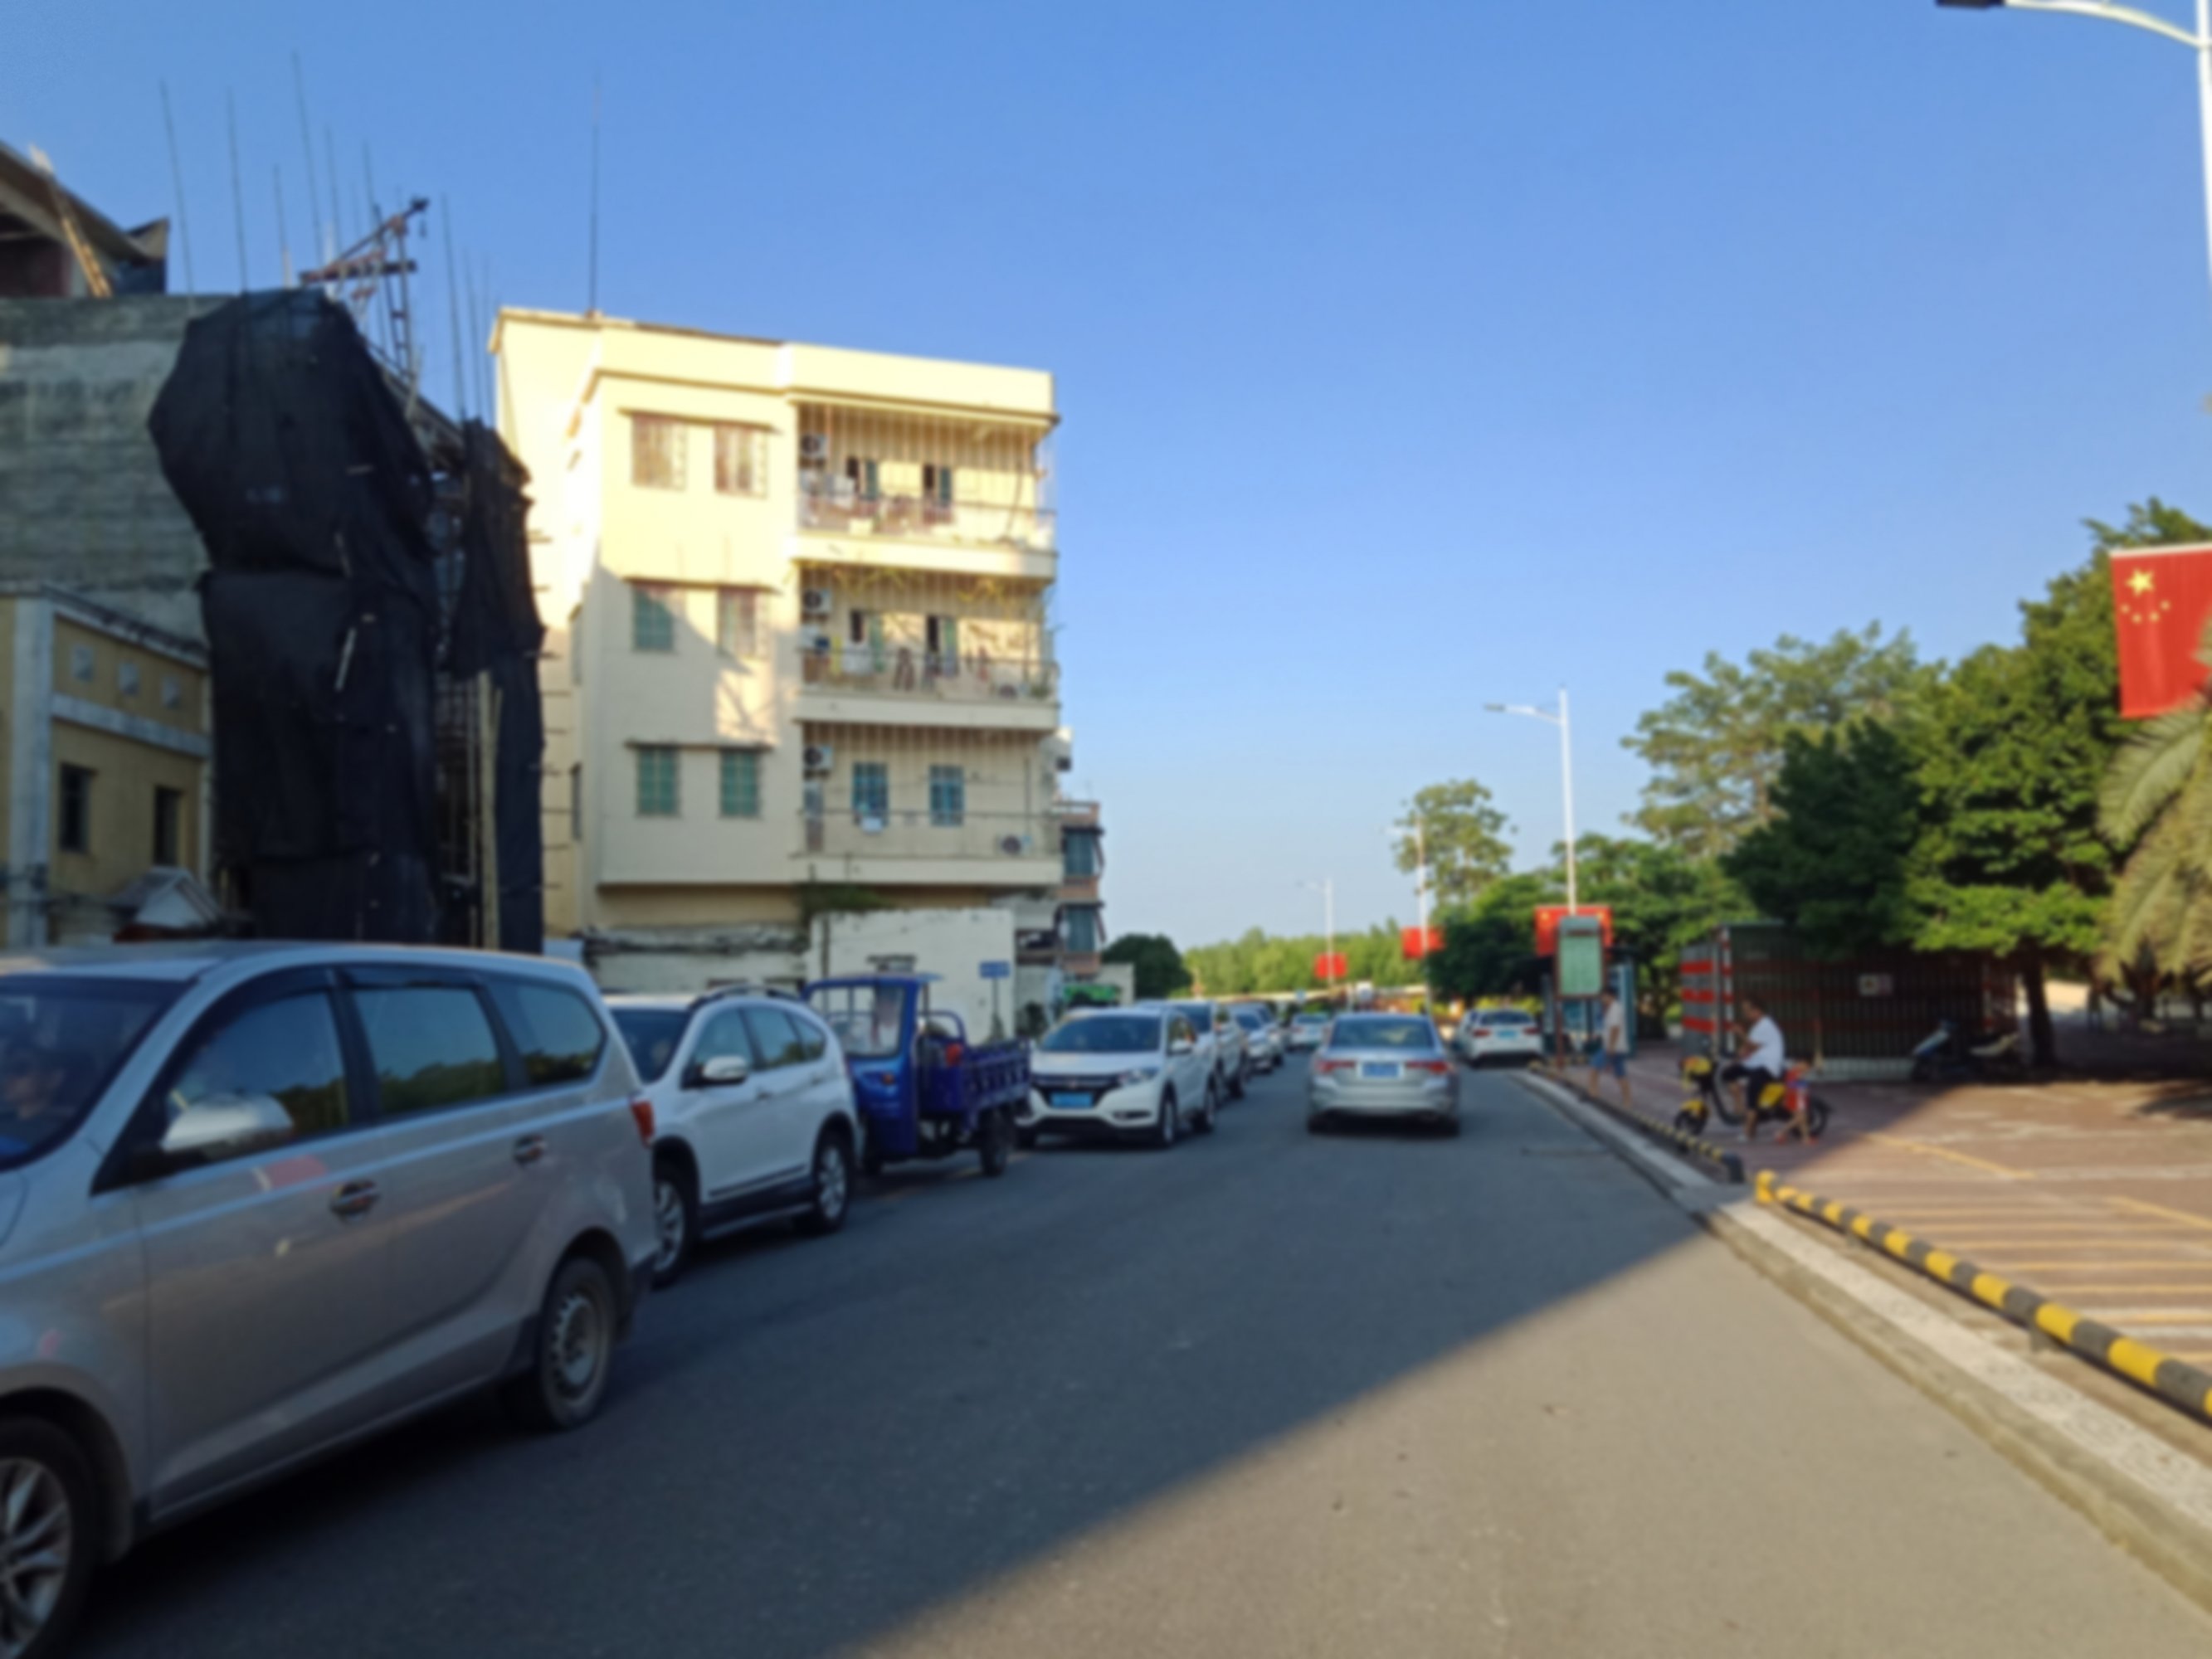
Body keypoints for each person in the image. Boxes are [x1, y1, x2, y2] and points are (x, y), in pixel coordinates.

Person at [1721, 995, 1787, 1141]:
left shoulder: (1766, 1025)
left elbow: (1753, 1046)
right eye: (1744, 1011)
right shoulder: (1756, 1027)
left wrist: (1740, 1034)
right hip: (1755, 1064)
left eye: (1747, 1011)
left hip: (1767, 1067)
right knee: (1728, 1073)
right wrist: (1735, 1057)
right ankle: (1739, 1106)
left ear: (1757, 1010)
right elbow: (1746, 1049)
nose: (1745, 1014)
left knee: (1752, 1094)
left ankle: (1747, 1133)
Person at [1587, 987, 1632, 1110]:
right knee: (1620, 1075)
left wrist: (1611, 1046)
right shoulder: (1613, 1008)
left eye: (1604, 996)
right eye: (1601, 996)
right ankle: (1627, 1101)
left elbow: (1615, 1029)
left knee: (1594, 1067)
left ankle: (1593, 1094)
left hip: (1613, 1048)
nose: (1602, 999)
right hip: (1617, 1047)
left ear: (1612, 996)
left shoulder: (1615, 1009)